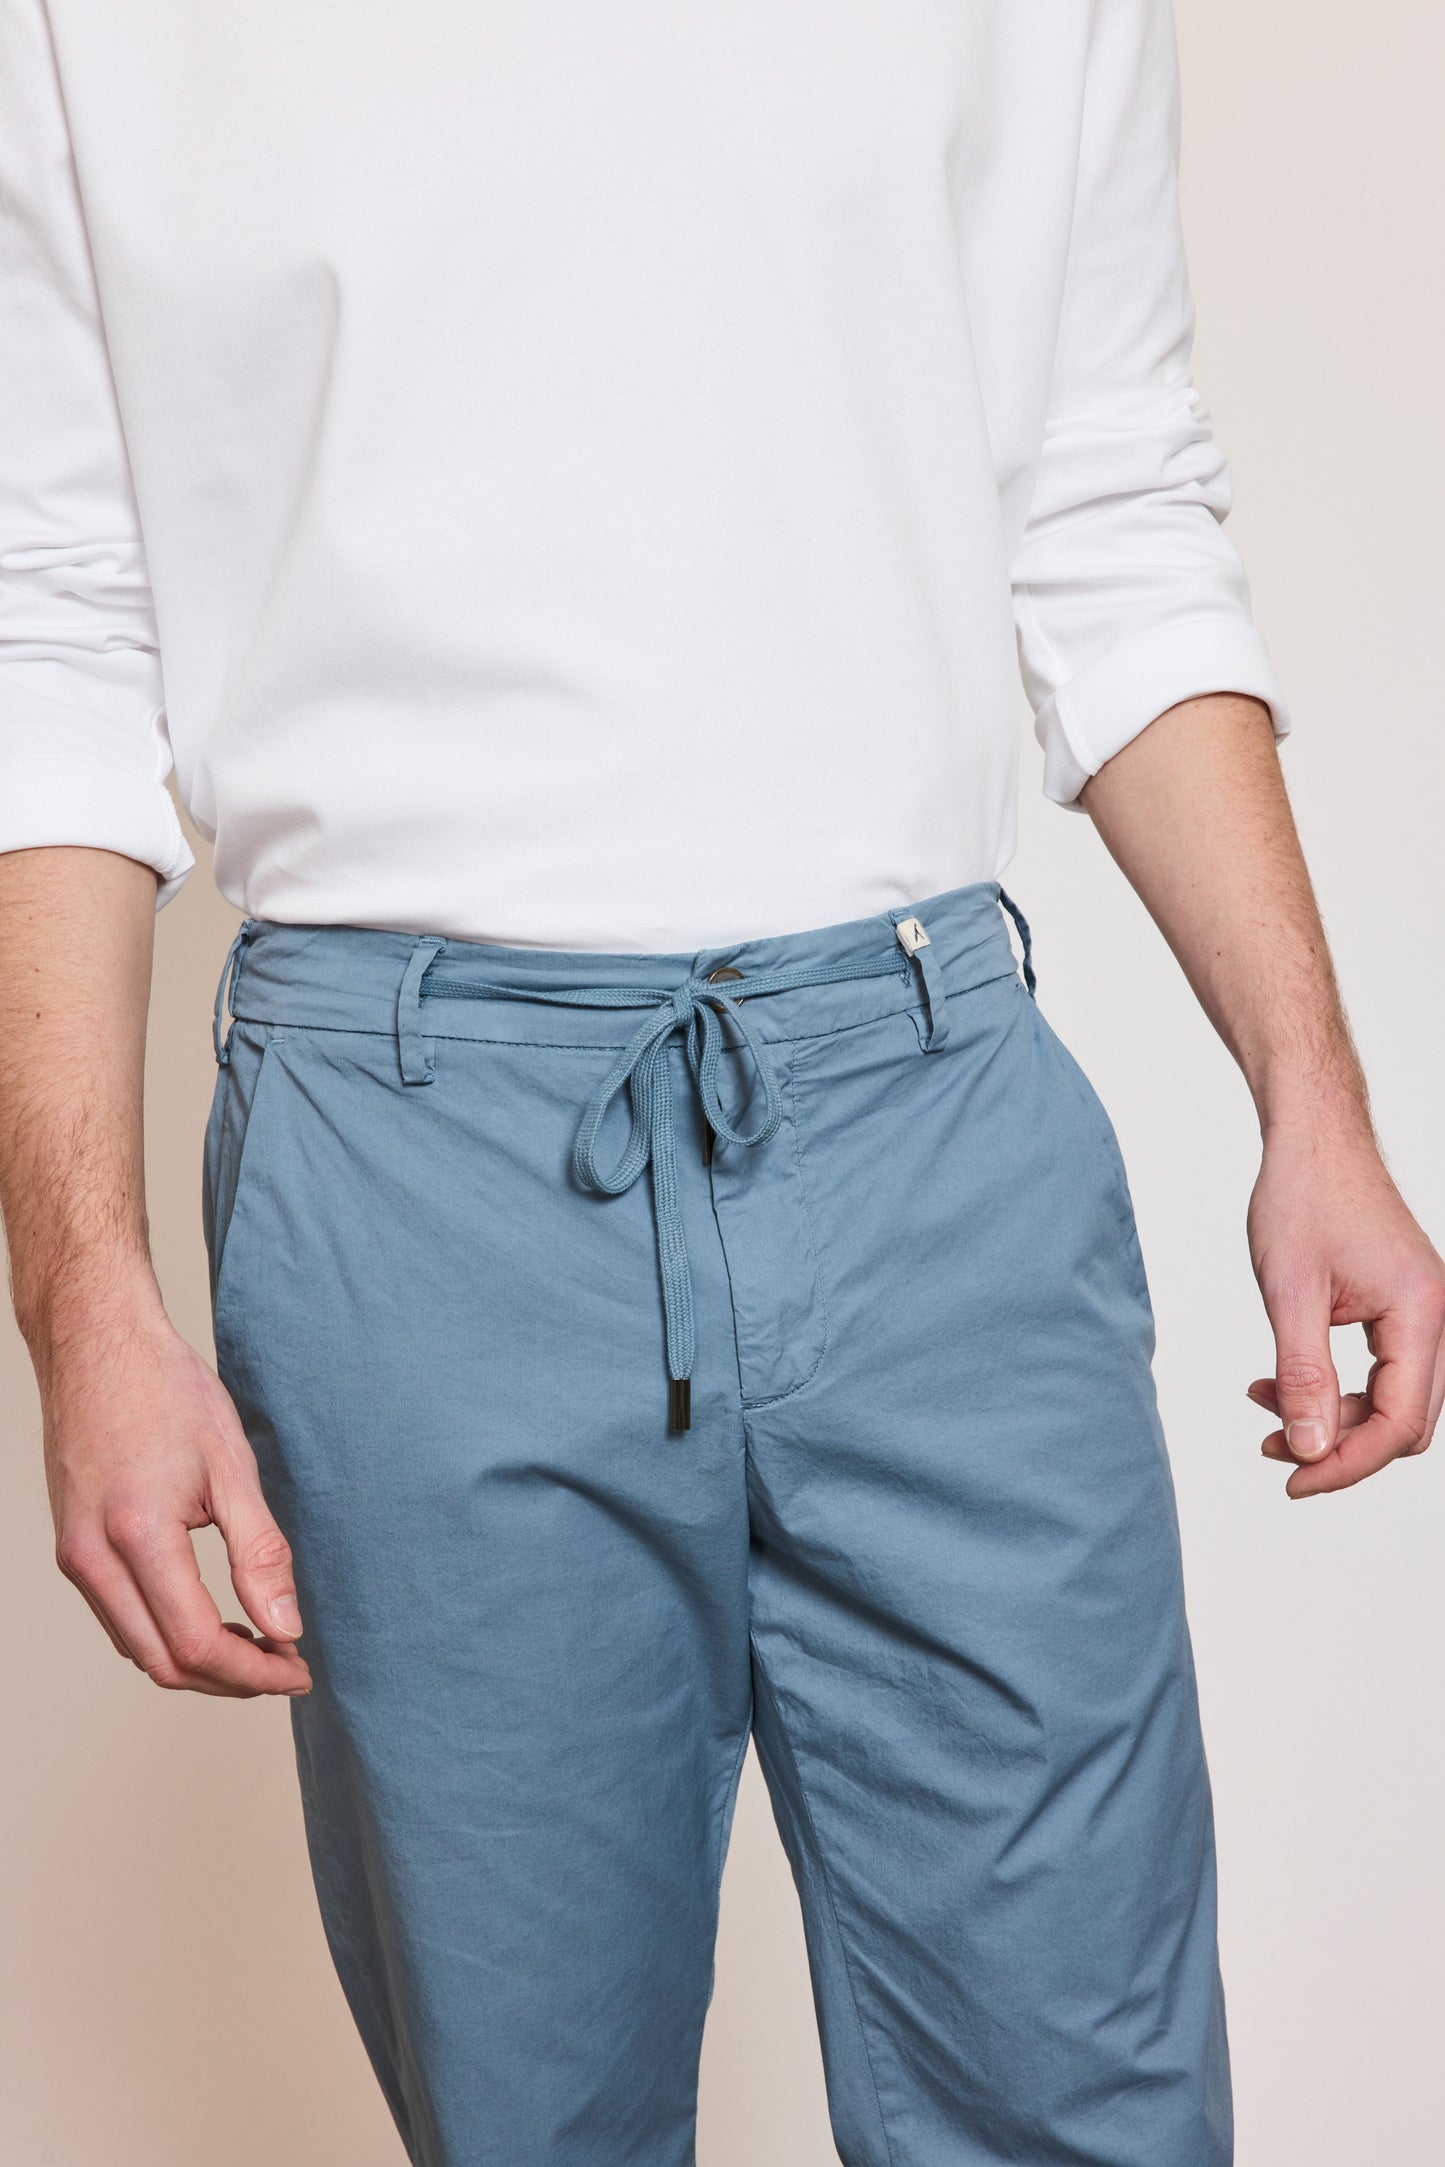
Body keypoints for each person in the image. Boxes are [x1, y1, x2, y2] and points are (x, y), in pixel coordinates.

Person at [1, 2, 1440, 2161]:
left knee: (1091, 2102)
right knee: (534, 2115)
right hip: (411, 1169)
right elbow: (49, 623)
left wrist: (1311, 1096)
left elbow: (1107, 499)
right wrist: (81, 1295)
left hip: (929, 1108)